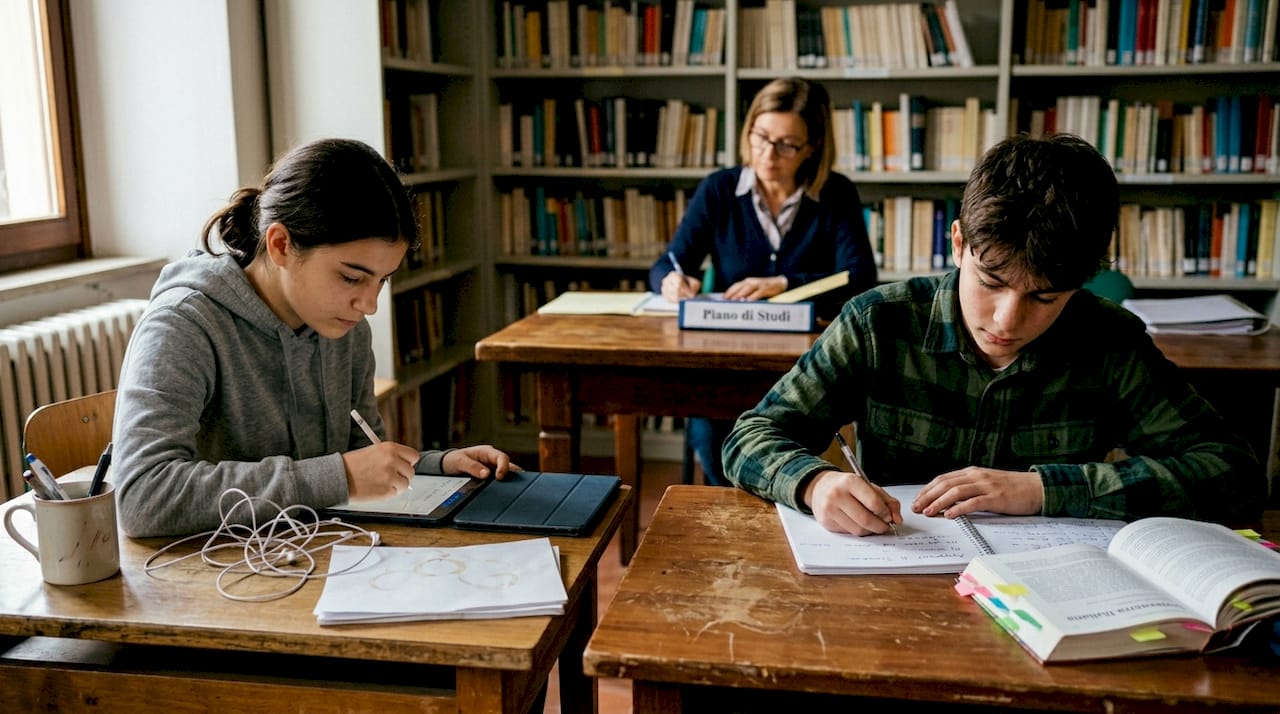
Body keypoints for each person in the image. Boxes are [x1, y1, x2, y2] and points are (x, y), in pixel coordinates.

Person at [722, 133, 1267, 535]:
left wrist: (1043, 489)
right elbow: (751, 436)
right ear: (959, 244)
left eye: (1044, 298)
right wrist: (814, 483)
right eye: (991, 283)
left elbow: (1235, 476)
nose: (1007, 320)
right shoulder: (878, 322)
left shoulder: (1108, 341)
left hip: (1051, 595)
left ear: (1081, 281)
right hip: (897, 581)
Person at [113, 138, 520, 539]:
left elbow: (360, 455)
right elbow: (143, 497)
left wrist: (437, 466)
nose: (369, 305)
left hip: (316, 551)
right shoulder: (183, 325)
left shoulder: (344, 326)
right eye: (351, 277)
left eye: (382, 280)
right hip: (214, 570)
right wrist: (340, 477)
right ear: (280, 245)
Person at [650, 76, 878, 486]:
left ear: (812, 147)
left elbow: (860, 279)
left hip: (804, 363)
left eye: (787, 144)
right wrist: (671, 280)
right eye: (761, 138)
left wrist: (785, 283)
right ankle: (739, 515)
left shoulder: (835, 193)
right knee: (712, 436)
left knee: (794, 441)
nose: (768, 155)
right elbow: (666, 263)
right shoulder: (720, 189)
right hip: (727, 359)